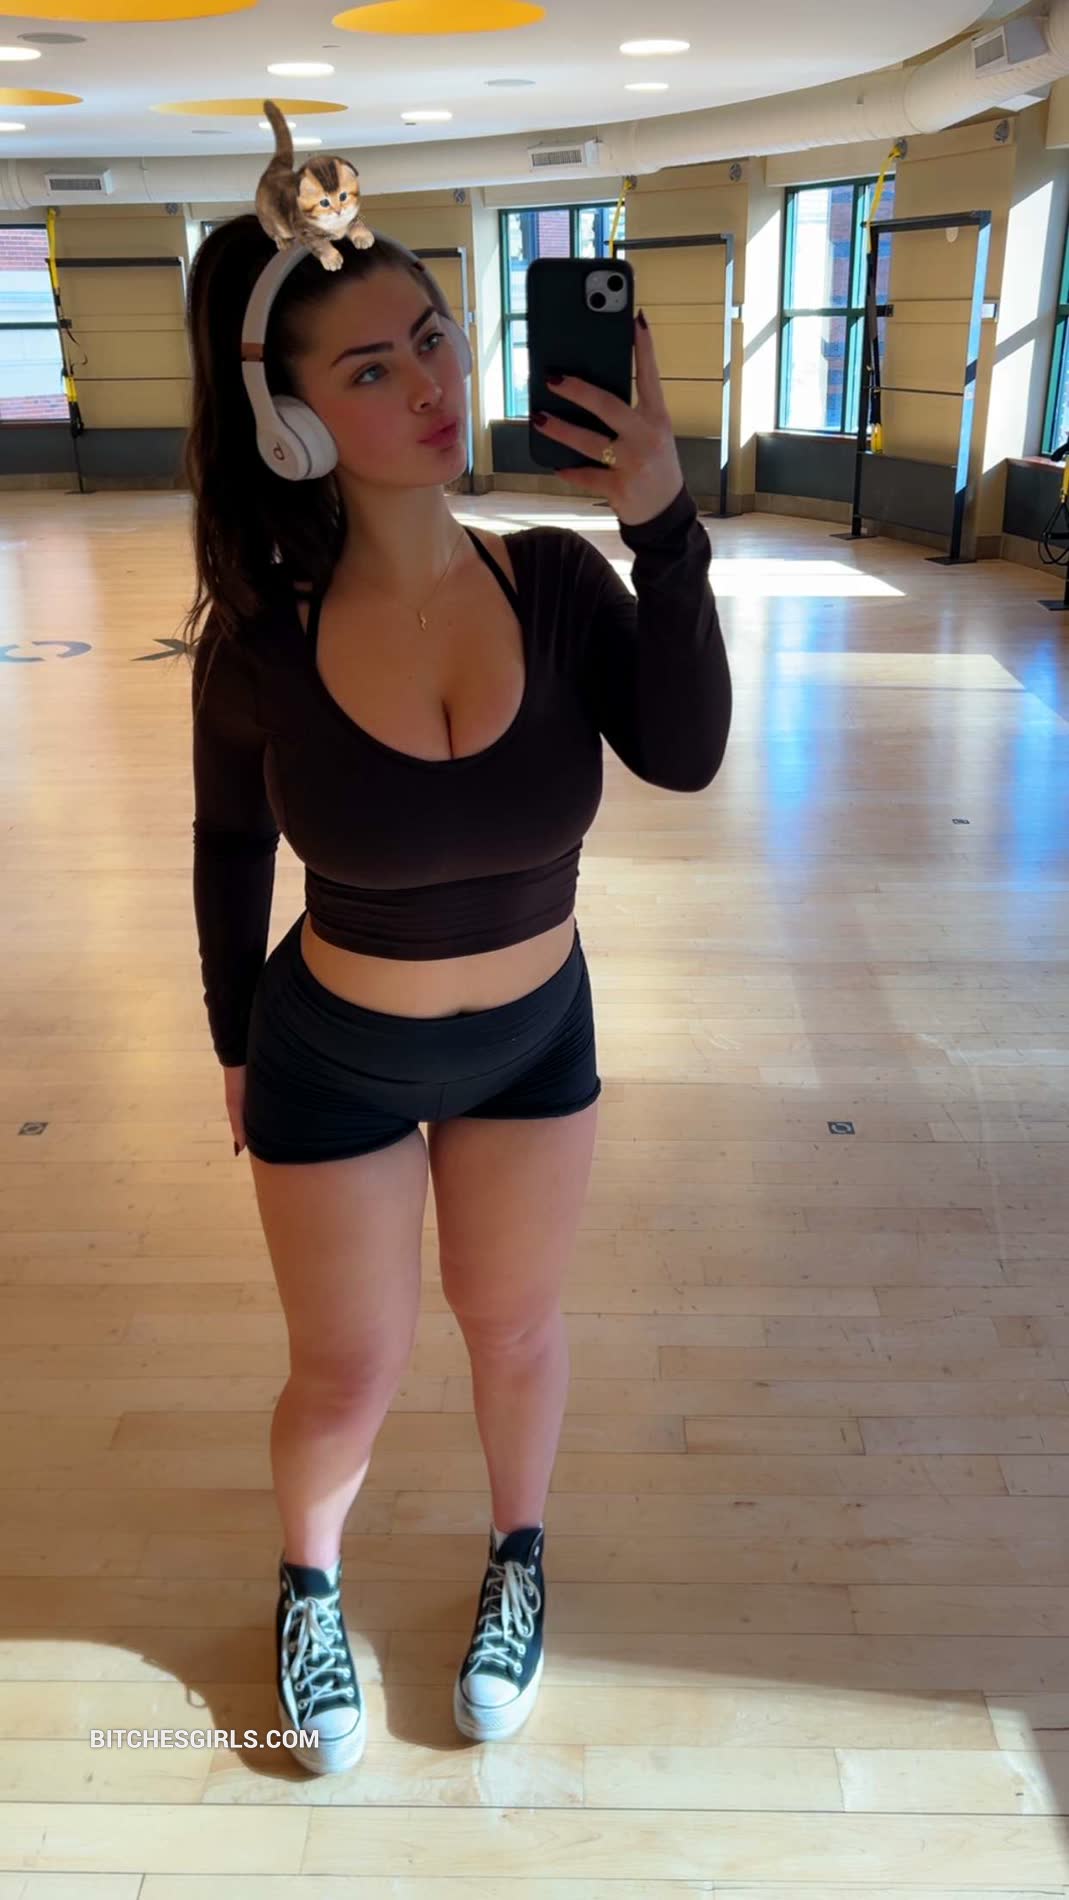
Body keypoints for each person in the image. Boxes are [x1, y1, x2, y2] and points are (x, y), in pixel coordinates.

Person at [181, 212, 732, 1775]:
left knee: (513, 1327)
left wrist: (664, 532)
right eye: (369, 367)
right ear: (289, 420)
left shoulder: (553, 582)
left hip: (532, 1043)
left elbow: (685, 753)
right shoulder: (262, 643)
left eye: (431, 336)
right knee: (348, 1371)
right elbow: (228, 847)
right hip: (332, 1055)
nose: (429, 384)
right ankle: (308, 1586)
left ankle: (517, 1560)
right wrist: (233, 1042)